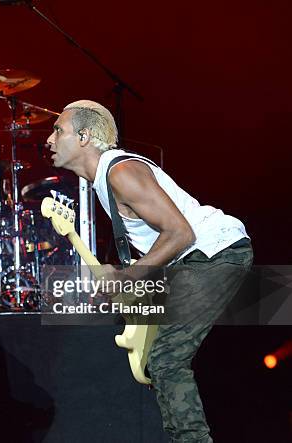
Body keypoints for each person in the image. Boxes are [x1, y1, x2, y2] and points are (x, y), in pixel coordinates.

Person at [46, 100, 253, 442]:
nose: (49, 140)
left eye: (58, 130)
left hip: (214, 253)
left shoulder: (120, 172)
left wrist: (128, 277)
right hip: (191, 260)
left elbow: (180, 232)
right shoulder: (105, 180)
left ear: (84, 136)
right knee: (161, 361)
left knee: (167, 359)